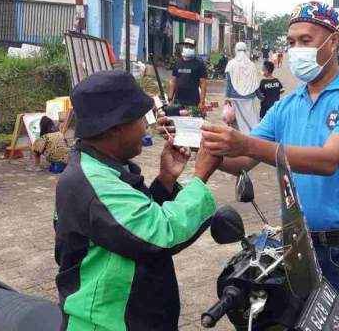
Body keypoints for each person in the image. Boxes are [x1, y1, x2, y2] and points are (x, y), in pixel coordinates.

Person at [199, 2, 339, 331]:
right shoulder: (288, 105)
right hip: (297, 251)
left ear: (333, 41)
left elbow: (329, 159)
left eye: (306, 40)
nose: (296, 49)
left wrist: (245, 144)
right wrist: (202, 146)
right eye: (291, 42)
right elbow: (244, 160)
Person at [54, 70, 222, 331]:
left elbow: (134, 221)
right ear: (116, 126)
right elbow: (161, 235)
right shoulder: (93, 184)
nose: (146, 126)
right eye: (140, 118)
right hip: (105, 324)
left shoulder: (104, 167)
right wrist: (200, 177)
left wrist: (165, 180)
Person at [224, 42, 261, 134]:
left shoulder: (231, 64)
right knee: (251, 118)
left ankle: (241, 136)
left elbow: (229, 82)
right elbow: (255, 83)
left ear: (236, 50)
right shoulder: (251, 64)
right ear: (245, 51)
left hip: (235, 96)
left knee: (238, 119)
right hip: (249, 96)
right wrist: (259, 95)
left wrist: (227, 96)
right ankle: (253, 134)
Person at [169, 38, 207, 108]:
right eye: (186, 46)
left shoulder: (199, 64)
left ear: (194, 49)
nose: (188, 49)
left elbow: (203, 83)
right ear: (183, 47)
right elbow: (173, 81)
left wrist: (202, 101)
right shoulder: (177, 63)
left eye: (191, 47)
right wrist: (170, 98)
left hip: (193, 101)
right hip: (178, 100)